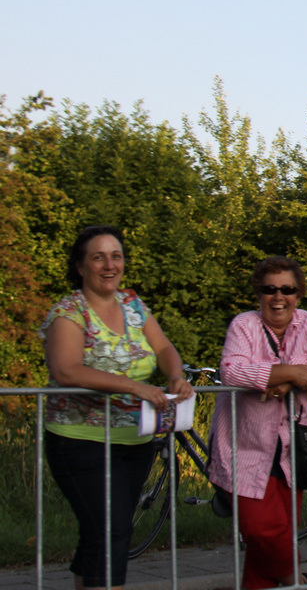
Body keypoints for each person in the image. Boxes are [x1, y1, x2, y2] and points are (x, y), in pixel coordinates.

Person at [39, 225, 194, 590]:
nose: (109, 265)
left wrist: (174, 375)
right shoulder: (69, 311)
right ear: (80, 266)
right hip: (81, 440)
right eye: (98, 257)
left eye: (116, 256)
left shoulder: (133, 305)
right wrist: (135, 386)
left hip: (134, 441)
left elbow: (163, 347)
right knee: (112, 530)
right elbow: (66, 370)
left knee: (103, 531)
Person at [207, 256, 307, 589]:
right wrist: (287, 373)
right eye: (270, 289)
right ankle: (294, 579)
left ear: (299, 294)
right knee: (261, 530)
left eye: (287, 289)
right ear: (259, 292)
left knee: (281, 531)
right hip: (244, 448)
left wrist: (290, 381)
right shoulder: (244, 326)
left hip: (291, 449)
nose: (278, 297)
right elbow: (232, 371)